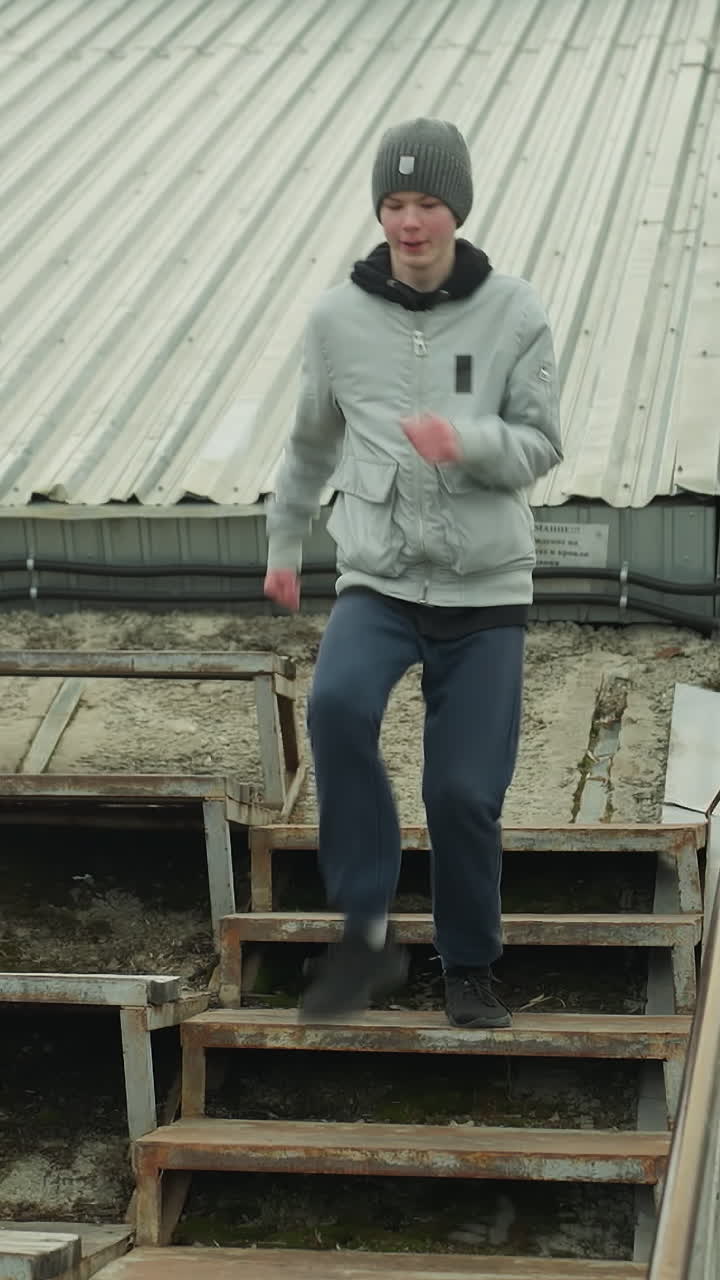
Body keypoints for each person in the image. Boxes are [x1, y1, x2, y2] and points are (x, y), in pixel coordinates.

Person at [264, 118, 562, 1028]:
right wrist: (284, 546)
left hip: (486, 589)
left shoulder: (514, 311)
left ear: (456, 210)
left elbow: (542, 442)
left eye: (427, 203)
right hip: (380, 578)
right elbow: (310, 442)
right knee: (336, 705)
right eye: (394, 204)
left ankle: (469, 965)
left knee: (462, 792)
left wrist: (465, 441)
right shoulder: (336, 319)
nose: (409, 222)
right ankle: (363, 935)